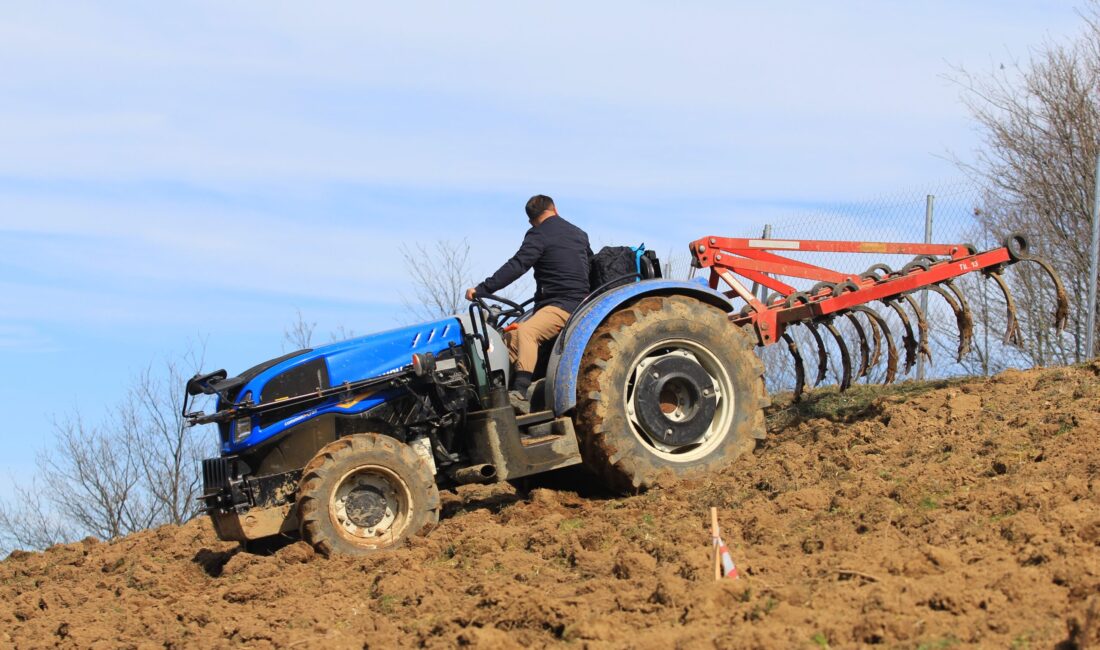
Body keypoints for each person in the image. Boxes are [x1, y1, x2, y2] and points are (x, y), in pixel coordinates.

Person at [466, 195, 592, 412]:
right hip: (575, 302)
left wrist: (483, 289)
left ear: (531, 220)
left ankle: (520, 391)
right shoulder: (579, 234)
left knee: (526, 332)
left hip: (563, 306)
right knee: (508, 339)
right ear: (555, 209)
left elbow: (518, 265)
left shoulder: (539, 233)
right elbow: (590, 265)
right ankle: (491, 396)